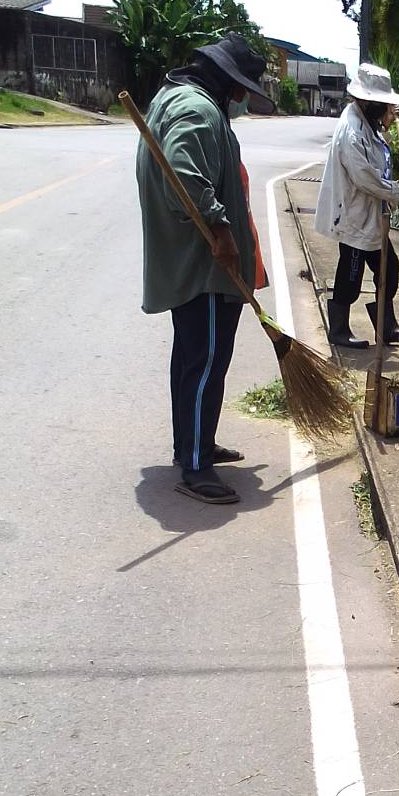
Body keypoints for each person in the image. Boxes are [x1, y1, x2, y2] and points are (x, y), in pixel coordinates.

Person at [136, 32, 275, 507]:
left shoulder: (176, 98)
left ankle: (196, 441)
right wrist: (220, 229)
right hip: (205, 268)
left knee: (194, 359)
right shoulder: (197, 110)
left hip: (192, 265)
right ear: (228, 82)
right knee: (206, 362)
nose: (241, 99)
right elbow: (185, 175)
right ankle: (195, 464)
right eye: (241, 89)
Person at [315, 63, 399, 350]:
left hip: (370, 217)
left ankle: (387, 327)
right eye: (383, 104)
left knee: (389, 268)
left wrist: (385, 123)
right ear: (367, 100)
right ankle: (338, 329)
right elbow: (364, 179)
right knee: (350, 275)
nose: (387, 108)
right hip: (353, 217)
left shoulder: (367, 125)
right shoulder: (352, 131)